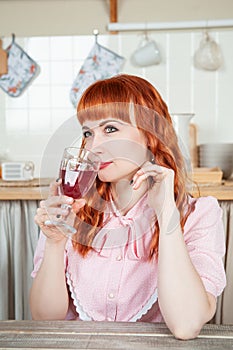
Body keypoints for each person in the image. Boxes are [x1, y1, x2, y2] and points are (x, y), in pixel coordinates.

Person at [30, 74, 226, 340]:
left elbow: (186, 325)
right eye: (88, 133)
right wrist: (54, 243)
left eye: (110, 129)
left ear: (150, 135)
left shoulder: (199, 214)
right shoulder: (72, 211)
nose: (94, 146)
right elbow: (45, 320)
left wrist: (165, 211)